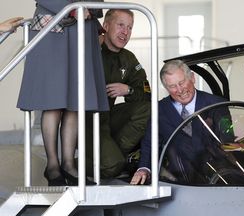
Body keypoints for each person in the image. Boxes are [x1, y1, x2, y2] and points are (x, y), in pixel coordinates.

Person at [17, 0, 109, 186]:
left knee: (76, 99)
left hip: (82, 28)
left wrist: (90, 8)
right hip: (54, 23)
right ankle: (52, 166)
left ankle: (68, 164)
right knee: (53, 99)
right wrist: (73, 10)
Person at [130, 59, 228, 185]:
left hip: (215, 179)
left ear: (192, 78)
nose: (180, 90)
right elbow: (150, 144)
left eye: (182, 83)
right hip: (177, 181)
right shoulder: (159, 109)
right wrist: (144, 168)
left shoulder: (217, 105)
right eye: (172, 86)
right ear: (166, 88)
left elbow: (227, 142)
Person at [84, 9, 151, 179]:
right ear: (105, 26)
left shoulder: (128, 59)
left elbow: (146, 93)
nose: (125, 32)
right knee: (112, 167)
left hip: (108, 119)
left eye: (129, 27)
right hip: (84, 123)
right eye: (120, 25)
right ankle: (73, 165)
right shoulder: (89, 50)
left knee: (150, 109)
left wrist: (127, 90)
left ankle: (115, 156)